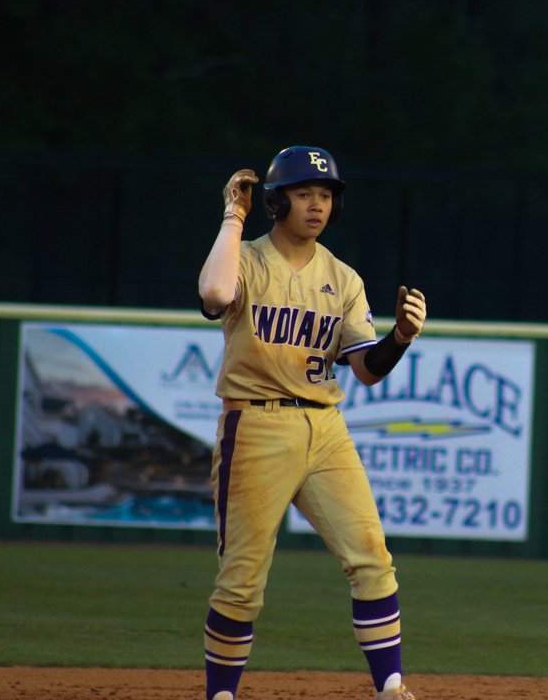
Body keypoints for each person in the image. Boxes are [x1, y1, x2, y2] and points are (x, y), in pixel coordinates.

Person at [197, 145, 427, 700]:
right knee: (242, 580)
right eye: (304, 193)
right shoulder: (246, 259)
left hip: (326, 429)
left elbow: (365, 370)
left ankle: (391, 687)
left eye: (325, 194)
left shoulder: (342, 277)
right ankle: (221, 695)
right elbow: (214, 294)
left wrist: (399, 338)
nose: (317, 204)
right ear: (278, 202)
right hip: (256, 425)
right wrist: (232, 217)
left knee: (372, 558)